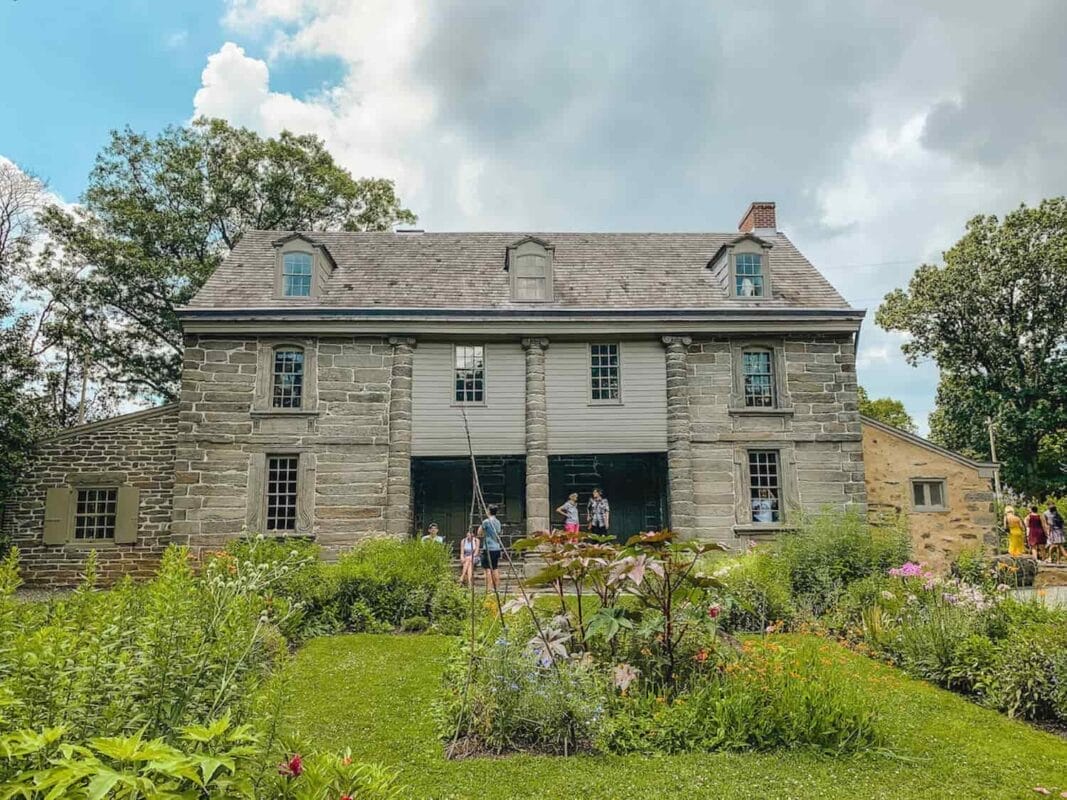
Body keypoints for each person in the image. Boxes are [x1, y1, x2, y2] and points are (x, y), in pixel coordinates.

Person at [478, 505, 503, 590]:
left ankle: (489, 588)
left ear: (489, 511)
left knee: (487, 569)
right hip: (496, 547)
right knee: (495, 567)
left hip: (488, 548)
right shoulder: (498, 522)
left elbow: (479, 533)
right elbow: (499, 533)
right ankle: (497, 586)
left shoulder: (486, 521)